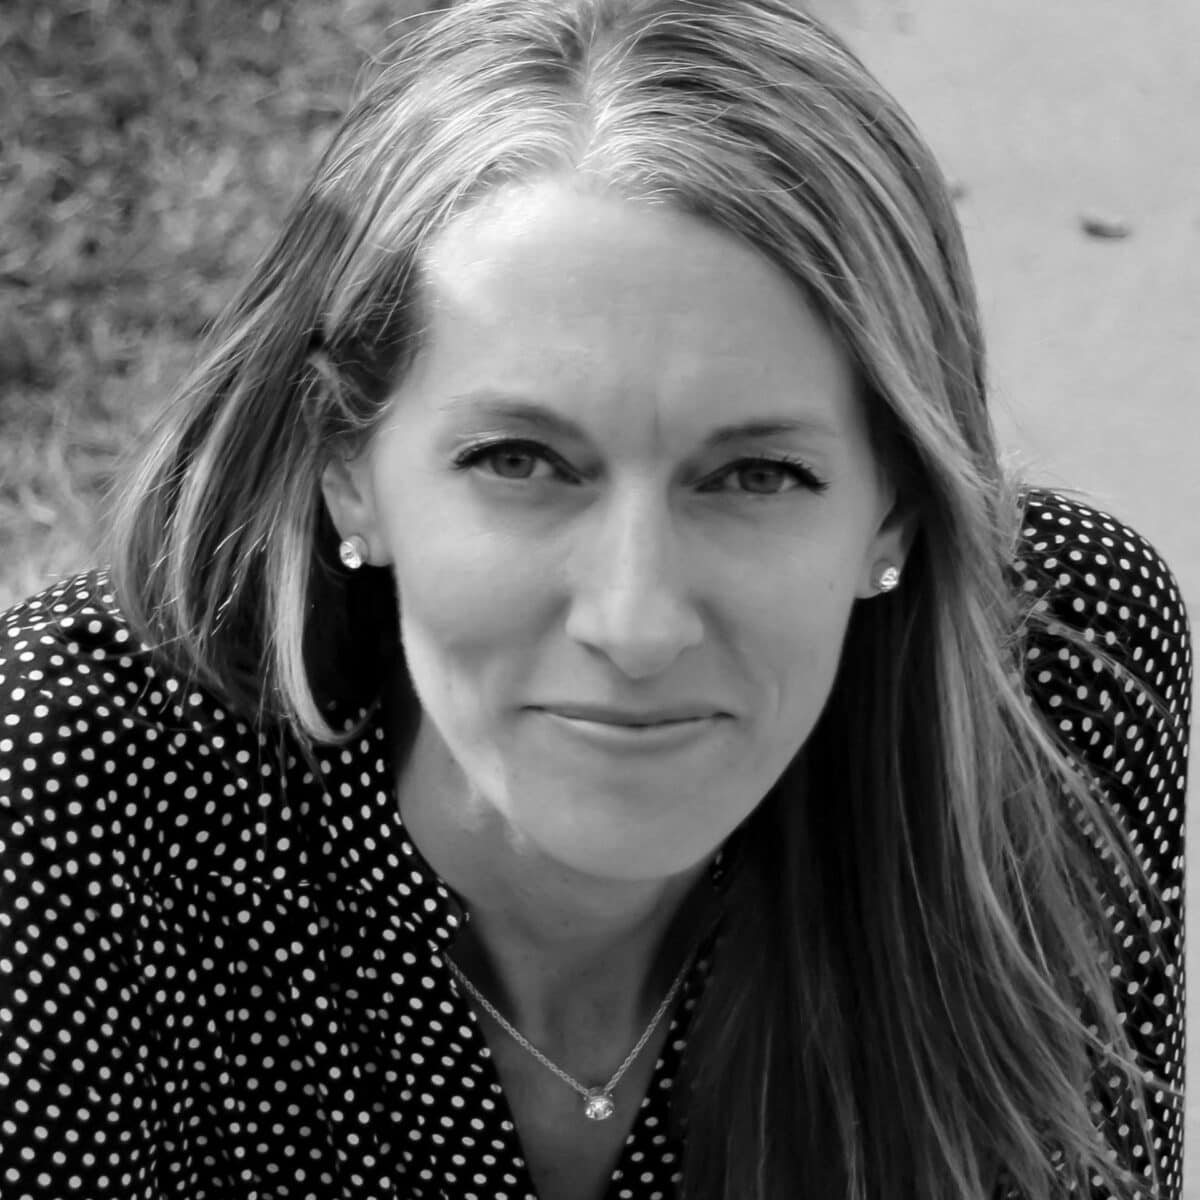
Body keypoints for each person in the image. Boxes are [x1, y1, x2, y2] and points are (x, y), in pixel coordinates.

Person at [0, 1, 1189, 1197]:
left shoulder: (1059, 677)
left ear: (892, 510)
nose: (635, 623)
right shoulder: (66, 786)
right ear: (344, 468)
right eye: (522, 462)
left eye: (756, 475)